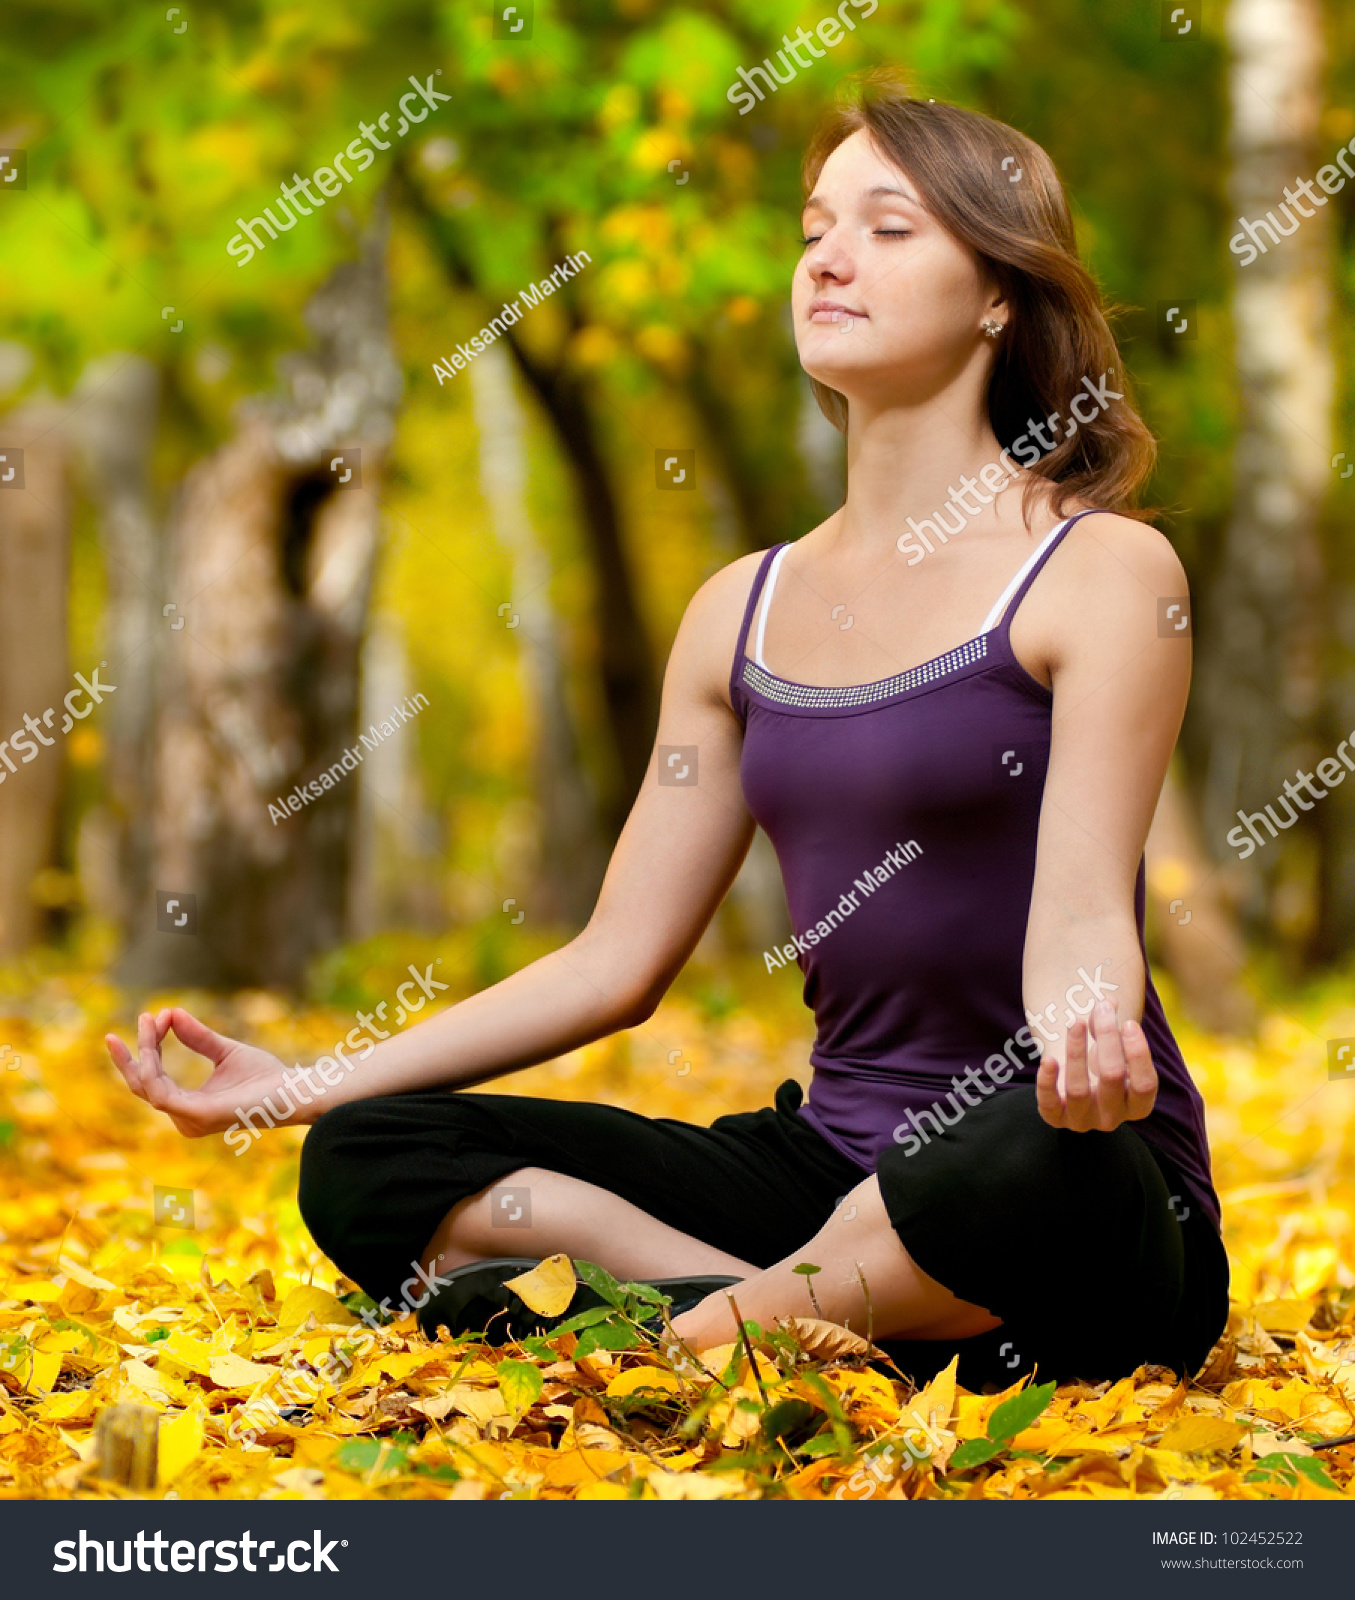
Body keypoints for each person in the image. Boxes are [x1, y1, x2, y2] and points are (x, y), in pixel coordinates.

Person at [106, 78, 1228, 1389]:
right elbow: (613, 962)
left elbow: (1086, 912)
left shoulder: (1103, 571)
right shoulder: (736, 612)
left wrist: (1087, 1023)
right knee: (372, 1149)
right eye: (815, 227)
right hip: (825, 1181)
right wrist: (299, 1084)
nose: (829, 256)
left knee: (1028, 1154)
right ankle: (781, 1323)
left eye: (889, 226)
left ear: (998, 294)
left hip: (1058, 1182)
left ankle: (702, 1324)